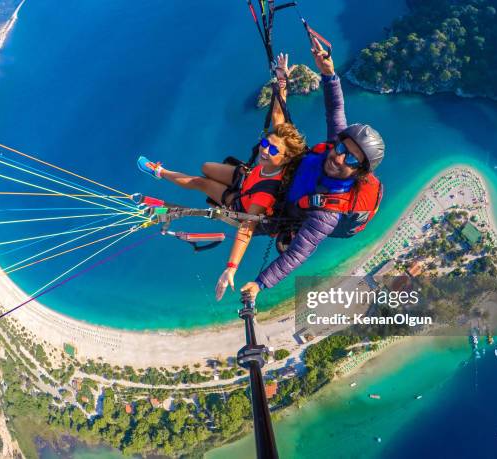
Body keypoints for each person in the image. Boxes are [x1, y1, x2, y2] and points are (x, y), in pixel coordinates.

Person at [137, 54, 307, 300]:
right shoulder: (274, 157)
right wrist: (281, 81)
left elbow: (246, 230)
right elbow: (279, 115)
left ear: (286, 158)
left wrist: (230, 268)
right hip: (249, 179)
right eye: (264, 143)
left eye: (271, 150)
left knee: (202, 182)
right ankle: (165, 173)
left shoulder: (265, 193)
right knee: (206, 166)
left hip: (242, 203)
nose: (264, 149)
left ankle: (158, 171)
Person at [240, 39, 385, 301]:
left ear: (360, 173)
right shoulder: (335, 145)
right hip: (299, 180)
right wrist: (328, 73)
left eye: (351, 161)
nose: (339, 158)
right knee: (280, 131)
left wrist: (260, 284)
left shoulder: (326, 214)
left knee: (244, 217)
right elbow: (336, 110)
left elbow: (297, 254)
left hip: (297, 204)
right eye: (341, 149)